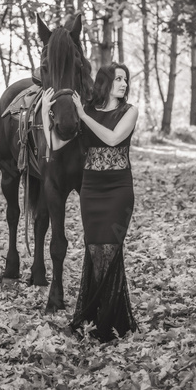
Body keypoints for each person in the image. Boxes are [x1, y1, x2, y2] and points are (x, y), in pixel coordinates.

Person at [68, 62, 138, 342]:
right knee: (95, 252)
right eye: (118, 79)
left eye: (125, 79)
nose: (123, 84)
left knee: (110, 251)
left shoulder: (129, 111)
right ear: (105, 82)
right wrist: (51, 116)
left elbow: (112, 139)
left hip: (118, 189)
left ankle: (108, 323)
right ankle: (96, 316)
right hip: (91, 189)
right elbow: (61, 144)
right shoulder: (89, 110)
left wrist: (82, 115)